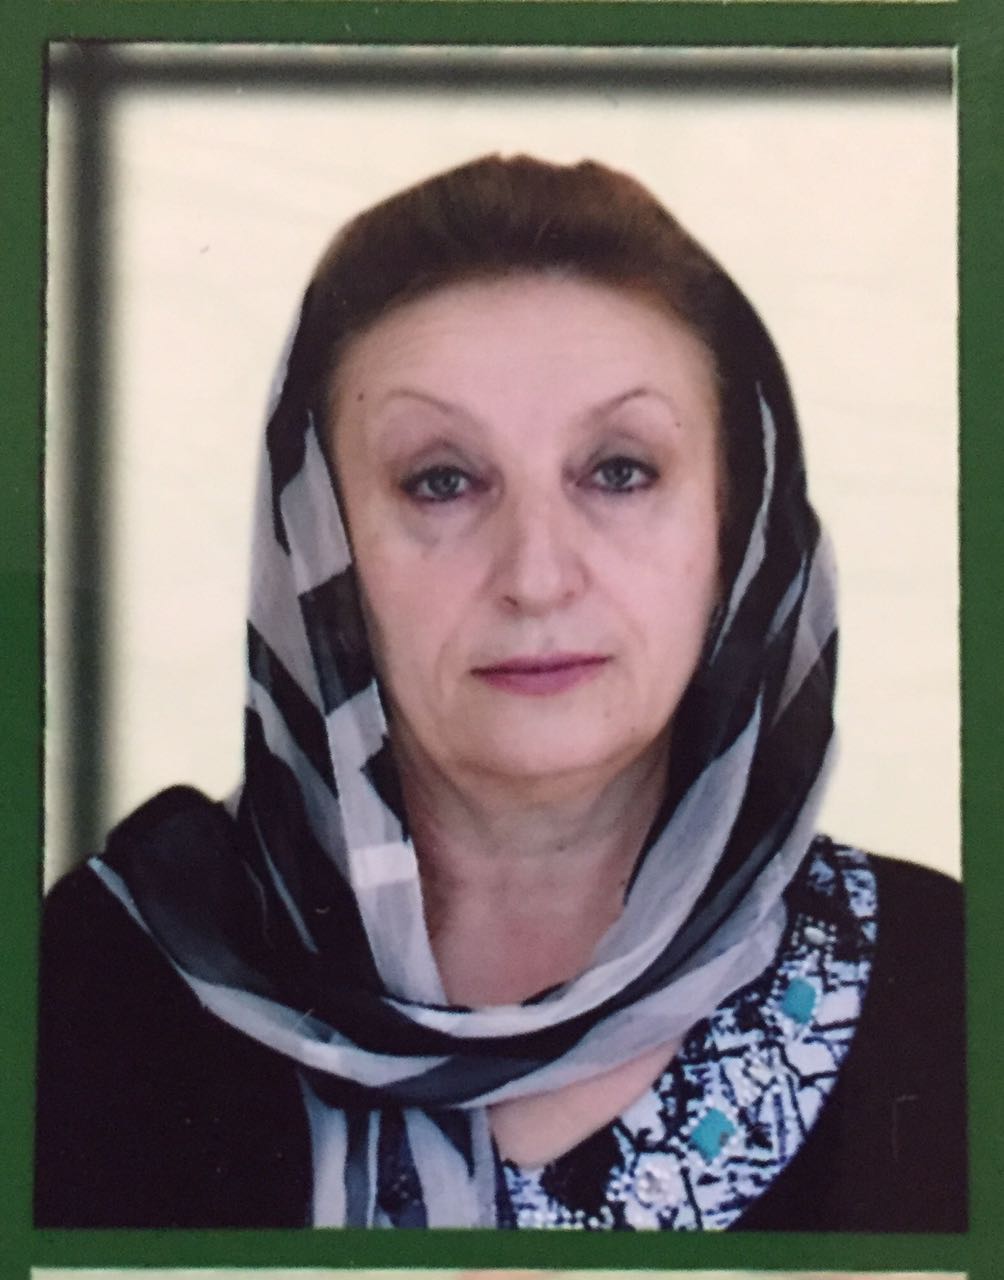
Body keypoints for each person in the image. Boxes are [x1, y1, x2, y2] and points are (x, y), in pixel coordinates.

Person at [35, 154, 966, 1231]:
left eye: (619, 470)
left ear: (737, 529)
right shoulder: (103, 979)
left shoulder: (948, 983)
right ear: (319, 547)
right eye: (441, 480)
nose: (536, 575)